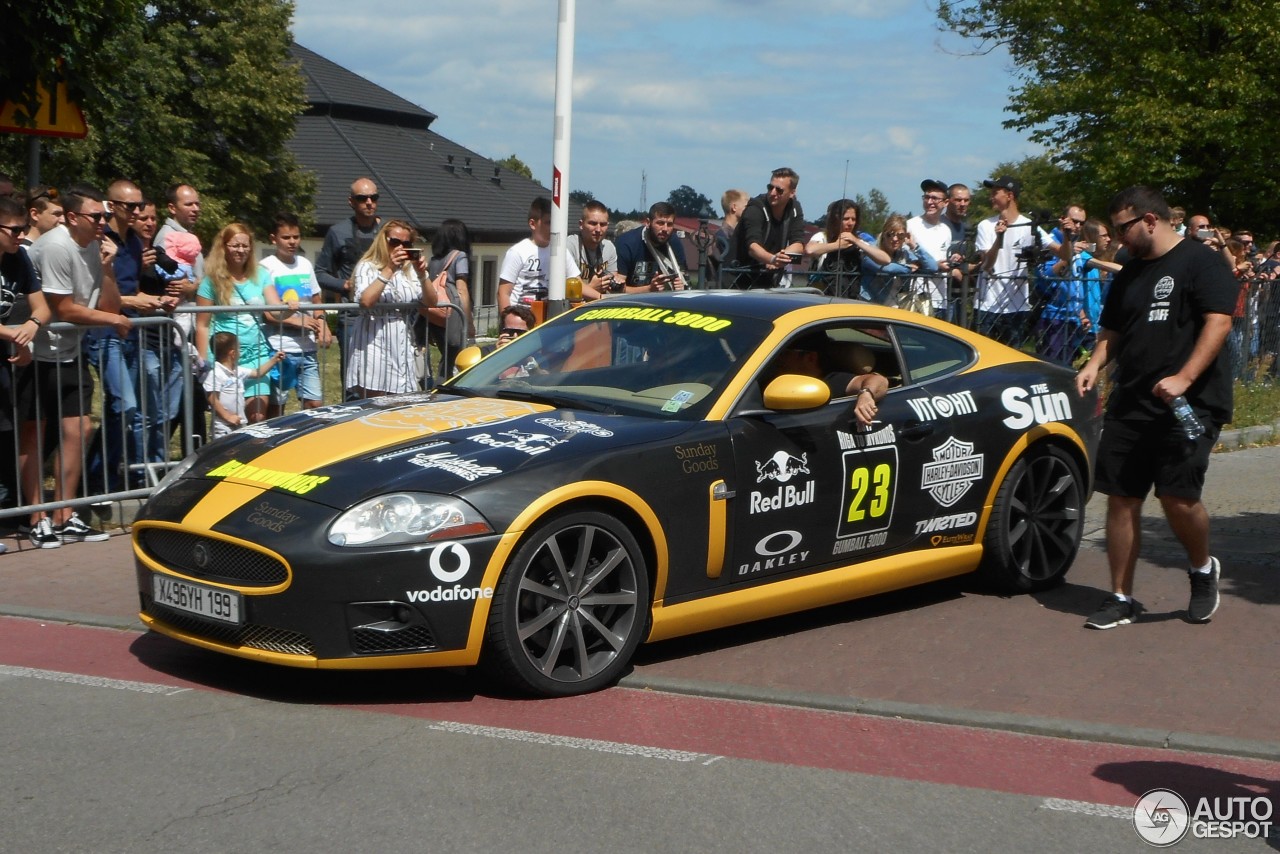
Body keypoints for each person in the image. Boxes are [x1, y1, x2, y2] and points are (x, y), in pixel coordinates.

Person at [1075, 186, 1236, 630]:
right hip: (1133, 399)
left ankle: (1203, 569)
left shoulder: (1201, 262)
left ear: (1149, 220)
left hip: (1193, 403)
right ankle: (1120, 597)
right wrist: (1093, 365)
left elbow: (1219, 321)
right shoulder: (1128, 271)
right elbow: (1111, 329)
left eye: (1123, 228)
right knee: (1122, 498)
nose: (1116, 238)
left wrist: (1184, 378)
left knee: (1178, 497)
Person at [24, 186, 130, 547]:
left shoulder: (93, 247)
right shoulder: (56, 246)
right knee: (35, 436)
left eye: (104, 215)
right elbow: (63, 308)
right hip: (36, 352)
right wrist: (111, 321)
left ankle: (65, 515)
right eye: (96, 216)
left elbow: (110, 304)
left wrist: (108, 266)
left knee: (81, 429)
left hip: (70, 351)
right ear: (72, 217)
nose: (104, 222)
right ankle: (36, 518)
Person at [85, 179, 177, 493]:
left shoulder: (135, 242)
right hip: (104, 332)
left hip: (131, 331)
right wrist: (133, 300)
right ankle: (97, 480)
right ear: (112, 206)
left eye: (140, 206)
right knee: (124, 405)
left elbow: (132, 287)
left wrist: (157, 300)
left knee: (128, 410)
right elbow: (95, 294)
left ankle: (105, 477)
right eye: (130, 206)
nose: (137, 212)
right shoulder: (100, 238)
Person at [0, 195, 47, 548]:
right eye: (14, 230)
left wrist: (30, 327)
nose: (20, 236)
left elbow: (41, 307)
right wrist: (16, 336)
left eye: (23, 230)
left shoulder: (20, 259)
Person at [347, 220, 439, 397]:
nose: (400, 247)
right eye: (395, 242)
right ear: (383, 240)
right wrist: (389, 268)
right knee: (376, 401)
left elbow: (432, 301)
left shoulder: (409, 270)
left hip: (401, 337)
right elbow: (366, 301)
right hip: (373, 337)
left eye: (407, 244)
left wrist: (422, 275)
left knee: (403, 400)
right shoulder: (367, 266)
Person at [194, 223, 275, 424]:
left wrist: (289, 307)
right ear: (224, 247)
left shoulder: (262, 275)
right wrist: (205, 362)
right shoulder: (211, 281)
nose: (241, 250)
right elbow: (202, 324)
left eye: (245, 246)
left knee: (258, 417)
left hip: (257, 355)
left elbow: (276, 309)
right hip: (225, 361)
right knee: (230, 419)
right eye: (235, 245)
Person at [260, 212, 330, 417]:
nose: (292, 242)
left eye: (296, 237)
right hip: (279, 348)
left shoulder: (305, 264)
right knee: (276, 408)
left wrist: (323, 323)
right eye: (286, 237)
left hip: (307, 349)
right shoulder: (266, 267)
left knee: (315, 404)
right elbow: (268, 313)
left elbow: (317, 301)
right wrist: (299, 321)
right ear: (274, 238)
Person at [315, 177, 381, 392]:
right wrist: (344, 285)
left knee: (382, 377)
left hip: (384, 314)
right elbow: (320, 273)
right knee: (354, 380)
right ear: (351, 201)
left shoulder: (387, 233)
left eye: (374, 197)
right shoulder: (338, 232)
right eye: (363, 198)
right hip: (352, 315)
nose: (369, 202)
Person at [974, 175, 1050, 347]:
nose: (990, 197)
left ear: (1010, 196)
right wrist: (998, 238)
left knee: (1013, 360)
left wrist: (1067, 236)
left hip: (1017, 306)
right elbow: (986, 265)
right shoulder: (985, 225)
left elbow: (1061, 252)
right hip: (987, 304)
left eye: (995, 192)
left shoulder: (1029, 225)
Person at [766, 330, 888, 426]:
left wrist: (866, 395)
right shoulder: (765, 377)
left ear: (810, 358)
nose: (777, 358)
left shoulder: (832, 381)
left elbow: (878, 380)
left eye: (784, 353)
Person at [728, 167, 806, 289]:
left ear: (792, 193)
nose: (772, 193)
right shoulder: (755, 208)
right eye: (770, 187)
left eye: (779, 190)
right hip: (737, 277)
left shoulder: (795, 208)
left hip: (767, 280)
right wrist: (772, 259)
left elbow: (799, 244)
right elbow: (753, 246)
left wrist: (781, 256)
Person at [498, 196, 582, 308]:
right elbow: (503, 293)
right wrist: (508, 320)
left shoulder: (561, 252)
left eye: (556, 222)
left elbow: (577, 282)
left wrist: (601, 297)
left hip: (549, 317)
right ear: (532, 224)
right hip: (521, 317)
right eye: (548, 222)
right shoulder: (518, 252)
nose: (553, 227)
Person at [203, 331, 285, 439]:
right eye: (239, 349)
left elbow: (257, 373)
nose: (240, 352)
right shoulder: (215, 374)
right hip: (222, 426)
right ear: (233, 354)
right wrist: (227, 417)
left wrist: (274, 360)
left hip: (239, 422)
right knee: (223, 452)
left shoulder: (238, 371)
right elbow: (212, 398)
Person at [422, 218, 475, 377]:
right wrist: (468, 321)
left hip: (436, 315)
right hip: (453, 314)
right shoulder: (460, 256)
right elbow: (462, 289)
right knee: (458, 356)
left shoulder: (433, 260)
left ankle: (441, 382)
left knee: (447, 355)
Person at [805, 199, 889, 297]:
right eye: (846, 219)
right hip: (822, 295)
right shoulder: (822, 236)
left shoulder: (857, 241)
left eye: (853, 219)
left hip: (850, 297)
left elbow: (885, 259)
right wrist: (837, 245)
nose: (850, 223)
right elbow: (810, 250)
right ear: (836, 219)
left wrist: (856, 241)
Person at [862, 214, 938, 309]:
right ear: (883, 234)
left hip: (898, 308)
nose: (895, 239)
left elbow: (933, 267)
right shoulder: (871, 250)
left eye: (900, 236)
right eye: (890, 234)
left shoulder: (904, 253)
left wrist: (914, 246)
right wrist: (909, 268)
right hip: (871, 305)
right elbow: (887, 268)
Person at [907, 179, 958, 319]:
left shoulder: (946, 230)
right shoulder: (910, 225)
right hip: (916, 296)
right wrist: (935, 265)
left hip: (940, 299)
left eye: (934, 198)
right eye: (926, 197)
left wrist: (952, 260)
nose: (930, 202)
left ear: (945, 203)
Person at [613, 202, 686, 292]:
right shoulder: (627, 243)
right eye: (660, 223)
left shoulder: (673, 242)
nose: (665, 229)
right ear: (648, 223)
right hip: (631, 302)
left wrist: (680, 285)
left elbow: (683, 275)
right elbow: (617, 289)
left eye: (669, 224)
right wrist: (649, 289)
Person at [565, 201, 616, 299]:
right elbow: (570, 290)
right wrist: (592, 288)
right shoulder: (569, 246)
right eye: (593, 223)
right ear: (581, 224)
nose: (598, 229)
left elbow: (612, 284)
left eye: (603, 224)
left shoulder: (609, 248)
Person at [708, 189, 748, 287]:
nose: (749, 210)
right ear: (734, 207)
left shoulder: (737, 234)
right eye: (746, 206)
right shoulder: (720, 237)